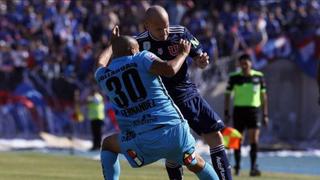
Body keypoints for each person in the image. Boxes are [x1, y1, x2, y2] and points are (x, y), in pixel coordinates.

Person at [95, 26, 219, 180]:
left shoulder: (103, 75)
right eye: (137, 48)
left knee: (108, 144)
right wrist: (183, 53)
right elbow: (169, 69)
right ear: (133, 50)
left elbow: (100, 62)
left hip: (139, 141)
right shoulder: (141, 58)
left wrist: (112, 44)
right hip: (173, 133)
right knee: (196, 163)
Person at [136, 5, 232, 180]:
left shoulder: (180, 33)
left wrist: (202, 60)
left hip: (185, 92)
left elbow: (200, 58)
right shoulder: (138, 44)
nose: (165, 32)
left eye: (166, 26)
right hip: (160, 100)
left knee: (215, 135)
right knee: (175, 151)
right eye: (159, 29)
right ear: (146, 25)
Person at [224, 53, 269, 176]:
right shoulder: (234, 77)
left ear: (250, 63)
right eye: (242, 63)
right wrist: (227, 112)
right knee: (238, 139)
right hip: (239, 111)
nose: (244, 65)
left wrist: (265, 114)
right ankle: (237, 166)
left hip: (254, 111)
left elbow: (264, 96)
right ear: (239, 64)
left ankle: (253, 167)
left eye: (246, 63)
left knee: (254, 139)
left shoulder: (259, 77)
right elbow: (227, 95)